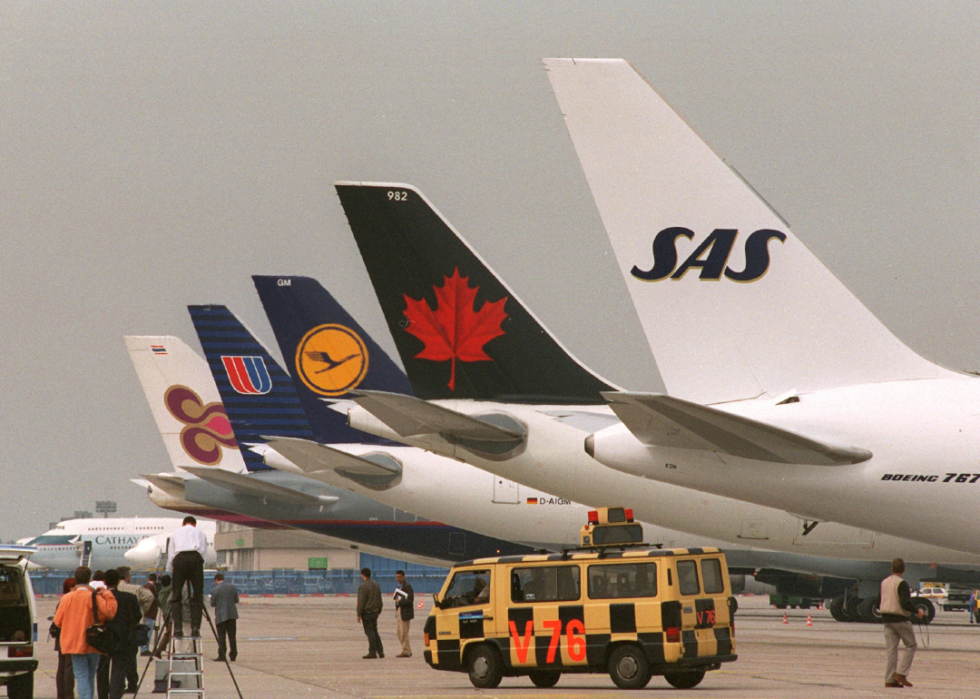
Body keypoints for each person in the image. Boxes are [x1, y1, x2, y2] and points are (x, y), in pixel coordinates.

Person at [53, 566, 118, 699]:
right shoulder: (95, 597)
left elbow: (58, 621)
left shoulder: (66, 598)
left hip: (74, 642)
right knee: (90, 675)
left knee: (80, 674)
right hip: (94, 641)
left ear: (75, 579)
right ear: (89, 579)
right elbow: (110, 612)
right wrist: (106, 593)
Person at [96, 570, 141, 699]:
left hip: (103, 637)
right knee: (119, 669)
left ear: (104, 582)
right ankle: (115, 695)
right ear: (118, 582)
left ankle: (103, 695)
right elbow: (137, 616)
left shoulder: (100, 597)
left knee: (102, 668)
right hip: (123, 638)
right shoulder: (130, 598)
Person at [880, 558, 924, 688]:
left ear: (892, 569)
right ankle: (901, 673)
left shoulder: (884, 582)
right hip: (899, 619)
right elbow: (905, 603)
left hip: (886, 618)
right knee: (911, 645)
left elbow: (879, 600)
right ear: (903, 570)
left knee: (891, 650)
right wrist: (917, 611)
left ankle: (889, 679)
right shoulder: (902, 584)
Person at [166, 515, 208, 637]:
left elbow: (171, 554)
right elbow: (203, 553)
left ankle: (178, 628)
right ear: (194, 524)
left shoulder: (175, 533)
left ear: (183, 524)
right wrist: (201, 567)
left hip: (180, 559)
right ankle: (195, 627)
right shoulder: (200, 532)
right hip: (195, 558)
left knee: (176, 595)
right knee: (198, 595)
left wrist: (171, 569)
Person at [54, 577, 76, 699]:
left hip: (61, 636)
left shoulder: (62, 601)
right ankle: (68, 694)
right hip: (69, 635)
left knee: (62, 666)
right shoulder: (70, 600)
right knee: (68, 667)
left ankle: (61, 694)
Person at [210, 573, 240, 662]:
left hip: (221, 616)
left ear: (216, 580)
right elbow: (236, 600)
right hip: (232, 615)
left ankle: (222, 655)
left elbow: (212, 604)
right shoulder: (232, 587)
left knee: (222, 637)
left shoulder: (215, 590)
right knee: (232, 636)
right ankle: (233, 654)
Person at [356, 567, 383, 659]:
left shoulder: (363, 587)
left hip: (367, 612)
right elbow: (379, 599)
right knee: (375, 631)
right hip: (375, 612)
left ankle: (372, 652)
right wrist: (379, 610)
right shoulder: (376, 585)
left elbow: (361, 602)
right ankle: (380, 651)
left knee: (370, 632)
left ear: (363, 575)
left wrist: (358, 614)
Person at [393, 570, 414, 658]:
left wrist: (400, 601)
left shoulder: (407, 586)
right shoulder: (399, 586)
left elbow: (410, 599)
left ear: (404, 577)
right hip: (399, 611)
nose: (398, 579)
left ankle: (406, 651)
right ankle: (405, 649)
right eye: (397, 577)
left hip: (405, 612)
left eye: (400, 577)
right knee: (399, 632)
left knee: (404, 632)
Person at [152, 575, 172, 659]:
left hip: (165, 613)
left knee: (168, 632)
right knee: (170, 633)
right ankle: (162, 650)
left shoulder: (161, 592)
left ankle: (160, 650)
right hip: (170, 613)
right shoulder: (170, 590)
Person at [139, 574, 159, 656]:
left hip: (146, 612)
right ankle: (144, 649)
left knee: (146, 631)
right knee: (148, 632)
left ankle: (144, 648)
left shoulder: (145, 587)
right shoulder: (151, 588)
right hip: (149, 613)